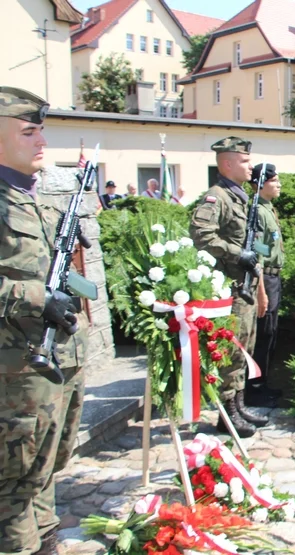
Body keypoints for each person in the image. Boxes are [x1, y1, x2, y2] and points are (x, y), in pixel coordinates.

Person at [0, 87, 89, 555]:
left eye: (42, 131)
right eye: (29, 132)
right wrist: (37, 297)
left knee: (48, 467)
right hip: (15, 370)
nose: (41, 142)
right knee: (12, 490)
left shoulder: (34, 196)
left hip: (57, 359)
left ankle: (47, 539)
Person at [190, 136, 267, 438]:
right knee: (233, 351)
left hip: (244, 287)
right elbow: (201, 236)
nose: (251, 167)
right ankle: (226, 414)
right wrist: (237, 254)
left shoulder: (240, 197)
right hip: (230, 289)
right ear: (227, 163)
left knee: (245, 348)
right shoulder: (216, 197)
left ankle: (239, 403)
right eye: (245, 161)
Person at [248, 163, 284, 409]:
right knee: (262, 334)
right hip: (266, 279)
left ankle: (262, 384)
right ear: (259, 184)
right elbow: (257, 253)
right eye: (274, 181)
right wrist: (261, 290)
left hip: (274, 278)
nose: (279, 185)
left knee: (270, 334)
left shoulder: (269, 208)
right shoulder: (258, 212)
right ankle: (253, 390)